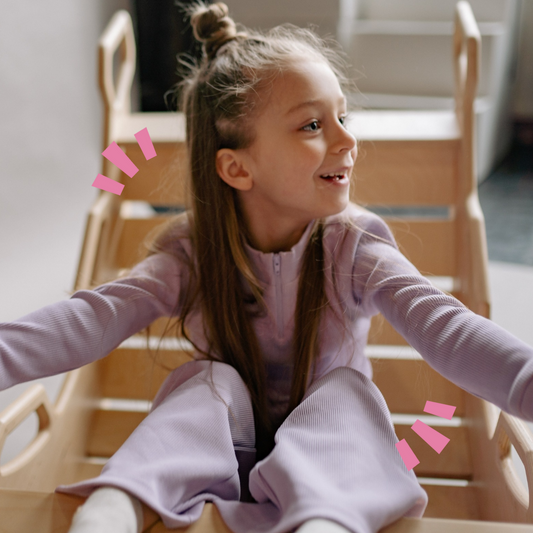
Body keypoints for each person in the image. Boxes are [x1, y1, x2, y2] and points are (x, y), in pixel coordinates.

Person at [1, 2, 533, 532]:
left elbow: (443, 323)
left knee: (346, 391)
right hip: (218, 462)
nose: (348, 140)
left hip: (330, 467)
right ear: (237, 167)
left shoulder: (354, 247)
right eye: (312, 125)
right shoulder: (191, 254)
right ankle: (116, 505)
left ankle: (324, 521)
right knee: (207, 383)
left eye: (342, 117)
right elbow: (92, 316)